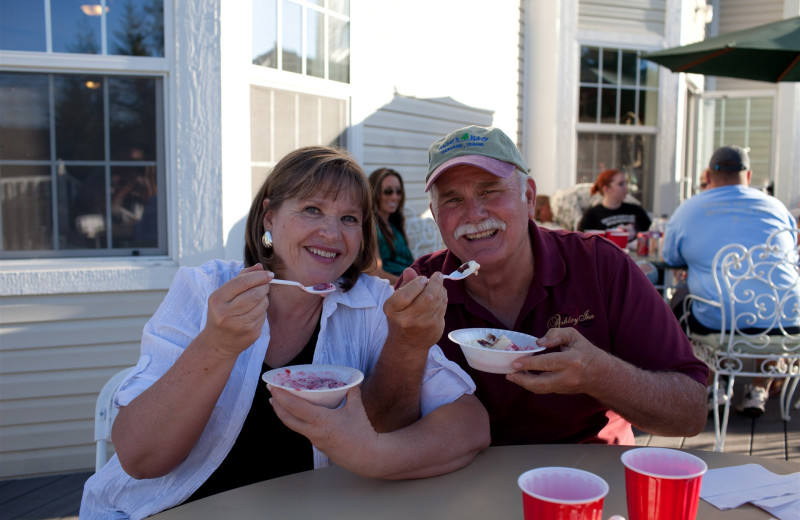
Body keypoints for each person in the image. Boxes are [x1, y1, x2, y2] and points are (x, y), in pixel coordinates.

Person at [80, 146, 489, 519]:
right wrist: (217, 346)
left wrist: (373, 452)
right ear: (269, 217)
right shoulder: (205, 290)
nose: (332, 233)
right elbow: (140, 458)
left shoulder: (375, 304)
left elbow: (470, 426)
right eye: (312, 209)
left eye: (349, 218)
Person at [390, 125, 708, 446]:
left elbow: (690, 411)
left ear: (528, 197)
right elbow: (389, 422)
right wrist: (406, 348)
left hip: (591, 468)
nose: (473, 213)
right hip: (464, 473)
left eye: (490, 191)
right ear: (435, 214)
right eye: (453, 199)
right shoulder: (418, 290)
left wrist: (599, 374)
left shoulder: (599, 266)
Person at [662, 145, 799, 417]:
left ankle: (714, 386)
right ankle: (758, 389)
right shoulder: (776, 207)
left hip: (723, 327)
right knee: (764, 301)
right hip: (790, 325)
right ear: (748, 176)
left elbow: (672, 258)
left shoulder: (689, 209)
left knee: (688, 302)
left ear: (710, 177)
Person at [367, 167, 415, 283]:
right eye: (388, 191)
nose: (395, 197)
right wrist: (409, 283)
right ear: (374, 193)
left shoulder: (394, 224)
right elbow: (375, 272)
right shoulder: (370, 225)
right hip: (393, 288)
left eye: (398, 192)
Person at [577, 169, 651, 242]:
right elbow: (581, 241)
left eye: (626, 183)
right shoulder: (592, 214)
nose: (626, 187)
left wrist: (636, 232)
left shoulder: (636, 210)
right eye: (621, 184)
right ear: (606, 189)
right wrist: (612, 233)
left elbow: (650, 232)